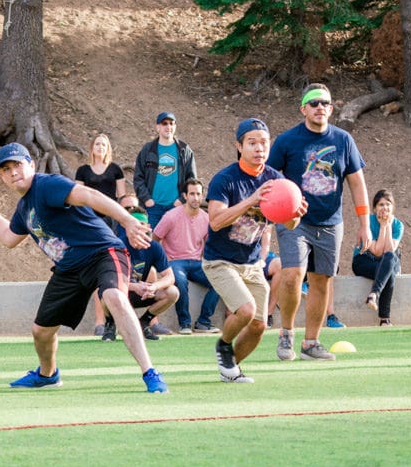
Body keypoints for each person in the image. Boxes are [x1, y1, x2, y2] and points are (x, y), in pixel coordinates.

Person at [0, 142, 168, 394]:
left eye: (18, 164)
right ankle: (47, 375)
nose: (13, 172)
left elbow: (89, 195)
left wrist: (128, 220)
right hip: (69, 268)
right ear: (1, 175)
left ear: (31, 165)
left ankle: (150, 372)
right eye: (5, 169)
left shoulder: (46, 185)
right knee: (41, 331)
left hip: (102, 252)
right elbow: (9, 238)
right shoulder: (24, 208)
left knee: (114, 297)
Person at [267, 83, 370, 361]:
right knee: (292, 275)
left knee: (321, 281)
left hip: (330, 222)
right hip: (294, 221)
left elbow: (357, 183)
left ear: (331, 109)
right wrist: (271, 212)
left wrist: (364, 223)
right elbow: (267, 178)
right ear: (303, 109)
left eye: (325, 103)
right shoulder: (287, 141)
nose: (320, 107)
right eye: (314, 103)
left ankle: (311, 343)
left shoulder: (343, 140)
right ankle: (286, 333)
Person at [205, 118, 302, 384]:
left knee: (259, 324)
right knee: (245, 310)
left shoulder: (276, 179)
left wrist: (296, 214)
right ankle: (223, 344)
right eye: (252, 142)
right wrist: (251, 200)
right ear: (239, 146)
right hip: (220, 261)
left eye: (264, 142)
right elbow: (215, 221)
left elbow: (289, 223)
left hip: (251, 263)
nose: (259, 148)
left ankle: (231, 369)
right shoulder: (225, 179)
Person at [153, 177, 221, 334]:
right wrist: (162, 263)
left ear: (202, 196)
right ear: (185, 195)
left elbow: (208, 243)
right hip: (175, 262)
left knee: (219, 279)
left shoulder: (206, 218)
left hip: (197, 262)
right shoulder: (171, 216)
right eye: (192, 194)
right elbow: (155, 240)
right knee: (180, 281)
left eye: (198, 194)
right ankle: (184, 323)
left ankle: (203, 322)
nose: (195, 198)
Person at [75, 132, 126, 336]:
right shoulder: (83, 171)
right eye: (97, 144)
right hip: (89, 221)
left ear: (108, 149)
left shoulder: (115, 170)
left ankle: (113, 321)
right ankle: (99, 321)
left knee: (109, 265)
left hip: (110, 221)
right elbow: (78, 197)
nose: (100, 147)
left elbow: (121, 197)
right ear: (92, 148)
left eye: (104, 144)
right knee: (94, 266)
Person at [119, 208, 179, 340]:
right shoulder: (118, 245)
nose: (138, 227)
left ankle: (144, 322)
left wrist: (154, 286)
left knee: (172, 292)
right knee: (106, 292)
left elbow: (170, 277)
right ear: (126, 225)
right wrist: (135, 287)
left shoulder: (154, 247)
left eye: (141, 224)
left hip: (143, 292)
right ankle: (109, 324)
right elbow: (111, 280)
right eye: (134, 223)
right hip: (121, 292)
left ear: (148, 227)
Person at [133, 111, 196, 231]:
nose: (168, 127)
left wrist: (181, 200)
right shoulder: (148, 149)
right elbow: (138, 177)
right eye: (164, 124)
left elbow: (192, 179)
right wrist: (147, 199)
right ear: (158, 127)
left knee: (175, 243)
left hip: (175, 207)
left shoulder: (184, 150)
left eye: (172, 124)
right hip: (152, 207)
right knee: (150, 242)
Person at [352, 189, 403, 326]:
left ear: (393, 207)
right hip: (364, 260)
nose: (385, 208)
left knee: (389, 263)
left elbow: (389, 251)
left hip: (384, 262)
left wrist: (387, 226)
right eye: (381, 205)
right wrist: (382, 226)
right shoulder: (368, 221)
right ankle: (384, 319)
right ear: (374, 208)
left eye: (388, 204)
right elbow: (377, 251)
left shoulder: (398, 225)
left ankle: (373, 295)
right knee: (388, 271)